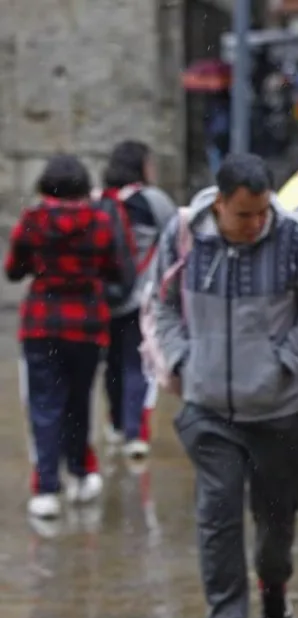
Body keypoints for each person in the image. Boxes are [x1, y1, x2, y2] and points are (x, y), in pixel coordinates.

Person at [150, 154, 298, 618]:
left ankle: (274, 587)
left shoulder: (295, 238)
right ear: (219, 204)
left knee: (276, 522)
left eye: (262, 213)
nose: (255, 224)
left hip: (278, 412)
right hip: (207, 410)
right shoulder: (184, 236)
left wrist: (284, 357)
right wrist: (183, 359)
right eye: (243, 214)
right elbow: (162, 305)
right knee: (218, 515)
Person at [7, 155, 135, 519]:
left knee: (44, 405)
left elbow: (14, 270)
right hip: (88, 324)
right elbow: (116, 269)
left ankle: (47, 488)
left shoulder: (33, 221)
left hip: (41, 323)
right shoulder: (100, 220)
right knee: (79, 401)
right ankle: (80, 473)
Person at [99, 140, 179, 459]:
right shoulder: (153, 200)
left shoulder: (100, 201)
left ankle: (116, 425)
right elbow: (176, 236)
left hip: (105, 298)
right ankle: (136, 433)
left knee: (112, 364)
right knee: (137, 363)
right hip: (141, 298)